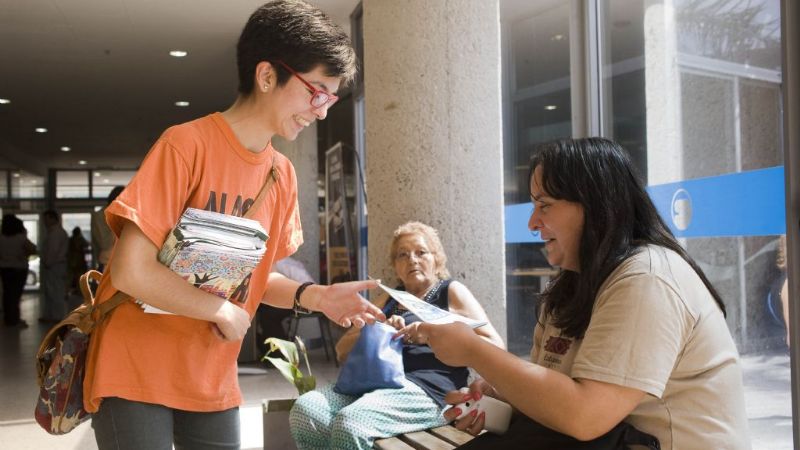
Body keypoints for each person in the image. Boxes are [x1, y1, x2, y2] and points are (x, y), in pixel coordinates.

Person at [83, 2, 384, 448]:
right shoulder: (185, 145)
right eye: (315, 92)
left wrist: (316, 297)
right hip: (135, 365)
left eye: (330, 98)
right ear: (267, 76)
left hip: (210, 374)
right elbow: (130, 270)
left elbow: (257, 281)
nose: (321, 111)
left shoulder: (281, 174)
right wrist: (221, 310)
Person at [408, 138, 750, 450]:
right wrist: (502, 397)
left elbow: (586, 417)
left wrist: (474, 350)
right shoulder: (571, 286)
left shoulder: (647, 278)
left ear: (595, 206)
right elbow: (559, 393)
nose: (532, 223)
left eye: (545, 206)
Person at [289, 221, 505, 450]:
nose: (412, 259)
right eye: (403, 255)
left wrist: (431, 334)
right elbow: (342, 350)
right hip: (372, 383)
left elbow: (496, 346)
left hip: (428, 390)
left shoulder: (450, 292)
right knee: (306, 411)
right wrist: (380, 326)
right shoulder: (389, 299)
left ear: (437, 259)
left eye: (421, 252)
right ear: (395, 266)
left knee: (352, 424)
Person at [0, 214, 36, 328]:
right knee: (16, 295)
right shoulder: (21, 238)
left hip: (4, 268)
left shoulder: (1, 238)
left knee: (7, 294)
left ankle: (8, 319)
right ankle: (15, 320)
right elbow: (33, 249)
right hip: (19, 268)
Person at [40, 209, 68, 323]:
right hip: (54, 265)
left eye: (46, 219)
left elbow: (53, 250)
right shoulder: (55, 232)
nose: (44, 222)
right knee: (52, 290)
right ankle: (52, 315)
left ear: (53, 218)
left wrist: (48, 262)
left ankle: (57, 316)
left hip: (54, 265)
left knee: (55, 291)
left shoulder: (56, 233)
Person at [91, 185, 125, 272]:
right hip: (107, 264)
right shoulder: (99, 216)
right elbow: (104, 243)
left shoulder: (126, 216)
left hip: (124, 263)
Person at [67, 226, 89, 295]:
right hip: (79, 262)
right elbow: (87, 244)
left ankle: (68, 291)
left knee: (71, 277)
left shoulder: (71, 240)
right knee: (79, 277)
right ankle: (79, 291)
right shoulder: (80, 239)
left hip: (72, 261)